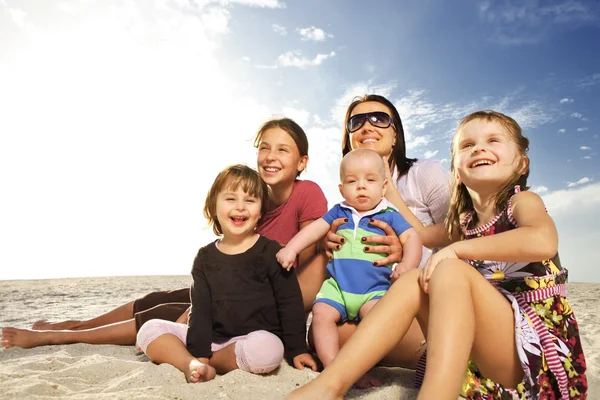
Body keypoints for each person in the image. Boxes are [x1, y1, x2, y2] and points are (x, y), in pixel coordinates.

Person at [288, 110, 588, 400]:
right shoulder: (464, 224)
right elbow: (414, 233)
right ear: (456, 172)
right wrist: (384, 191)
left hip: (534, 354)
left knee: (450, 269)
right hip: (484, 351)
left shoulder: (522, 202)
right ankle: (330, 387)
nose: (479, 148)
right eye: (467, 145)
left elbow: (542, 240)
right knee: (411, 282)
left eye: (493, 140)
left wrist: (456, 250)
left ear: (521, 164)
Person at [1, 118, 330, 349]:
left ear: (301, 162)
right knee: (156, 298)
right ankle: (77, 324)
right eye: (265, 148)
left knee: (166, 312)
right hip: (231, 283)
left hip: (258, 299)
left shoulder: (307, 193)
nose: (271, 156)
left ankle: (58, 338)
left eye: (283, 150)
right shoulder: (251, 200)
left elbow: (304, 252)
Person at [136, 164, 318, 382]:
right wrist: (200, 354)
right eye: (230, 199)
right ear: (214, 206)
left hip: (253, 341)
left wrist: (298, 350)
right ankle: (191, 364)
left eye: (250, 201)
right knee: (149, 328)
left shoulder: (273, 253)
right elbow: (200, 311)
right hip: (212, 339)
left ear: (261, 211)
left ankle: (212, 363)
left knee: (268, 350)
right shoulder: (204, 258)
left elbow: (290, 304)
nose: (240, 207)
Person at [320, 94, 450, 372]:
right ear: (349, 139)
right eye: (356, 122)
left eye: (380, 118)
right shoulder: (350, 195)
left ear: (395, 136)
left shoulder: (422, 173)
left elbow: (456, 233)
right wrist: (329, 240)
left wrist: (393, 200)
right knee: (323, 332)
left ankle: (436, 353)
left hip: (418, 296)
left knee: (362, 338)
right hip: (362, 294)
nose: (367, 126)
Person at [277, 148, 422, 388]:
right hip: (337, 287)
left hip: (374, 290)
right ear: (342, 189)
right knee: (321, 316)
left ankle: (359, 367)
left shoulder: (389, 214)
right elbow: (313, 231)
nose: (361, 186)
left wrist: (407, 264)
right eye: (352, 181)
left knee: (376, 324)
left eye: (370, 180)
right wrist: (292, 249)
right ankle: (334, 368)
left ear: (384, 187)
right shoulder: (339, 211)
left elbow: (412, 238)